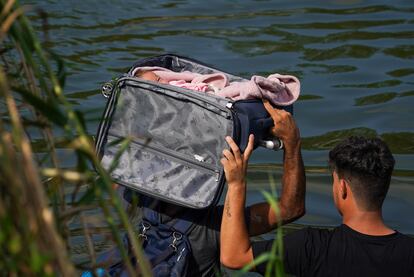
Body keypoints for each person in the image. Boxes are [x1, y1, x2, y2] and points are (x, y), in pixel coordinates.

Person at [113, 98, 306, 276]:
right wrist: (292, 144)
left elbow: (116, 160)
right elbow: (289, 209)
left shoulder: (129, 199)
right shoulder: (212, 227)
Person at [219, 104, 414, 276]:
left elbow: (234, 257)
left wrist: (236, 184)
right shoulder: (409, 253)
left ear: (342, 188)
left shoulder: (312, 248)